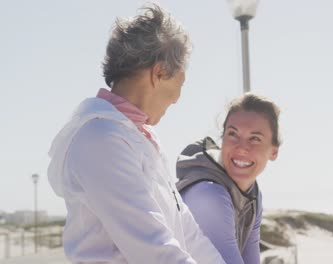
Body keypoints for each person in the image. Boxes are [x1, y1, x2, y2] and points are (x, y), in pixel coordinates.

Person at [47, 3, 225, 263]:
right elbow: (153, 249)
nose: (177, 98)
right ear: (159, 73)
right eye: (180, 82)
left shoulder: (139, 136)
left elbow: (189, 233)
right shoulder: (100, 138)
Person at [176, 93, 281, 264]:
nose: (242, 148)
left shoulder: (252, 194)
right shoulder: (208, 194)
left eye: (255, 138)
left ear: (274, 151)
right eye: (233, 134)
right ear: (222, 139)